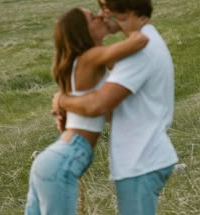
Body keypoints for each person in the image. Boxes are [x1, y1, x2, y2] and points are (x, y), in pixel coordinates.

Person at [52, 0, 178, 214]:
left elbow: (100, 105)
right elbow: (112, 111)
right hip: (140, 159)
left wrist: (61, 101)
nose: (102, 16)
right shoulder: (146, 41)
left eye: (105, 9)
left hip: (141, 160)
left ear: (124, 11)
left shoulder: (140, 50)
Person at [25, 6, 149, 215]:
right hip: (62, 162)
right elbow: (139, 41)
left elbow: (106, 111)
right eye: (93, 17)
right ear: (83, 30)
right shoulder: (91, 56)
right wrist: (122, 21)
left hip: (51, 160)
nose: (100, 16)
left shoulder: (82, 65)